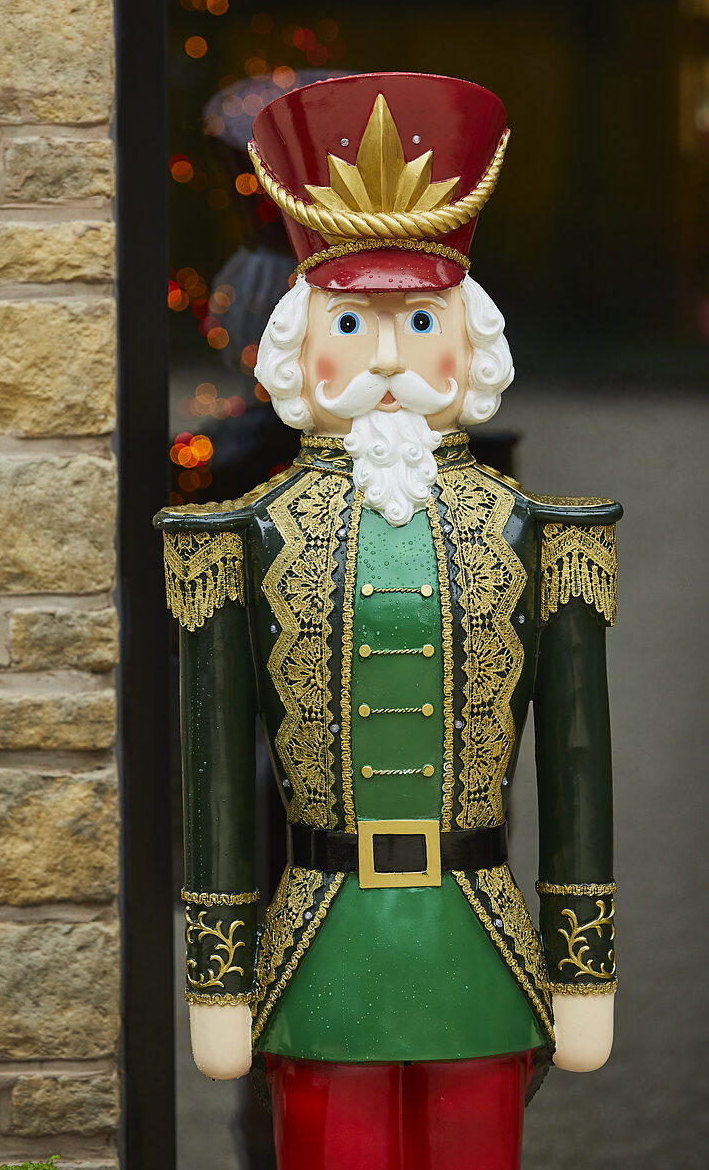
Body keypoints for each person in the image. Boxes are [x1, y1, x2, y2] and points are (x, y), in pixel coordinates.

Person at [156, 73, 618, 1170]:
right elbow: (217, 771)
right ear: (296, 342)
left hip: (480, 940)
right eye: (353, 323)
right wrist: (219, 978)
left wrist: (584, 967)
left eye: (419, 322)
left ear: (472, 340)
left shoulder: (543, 538)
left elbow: (579, 762)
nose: (388, 358)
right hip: (322, 941)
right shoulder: (240, 540)